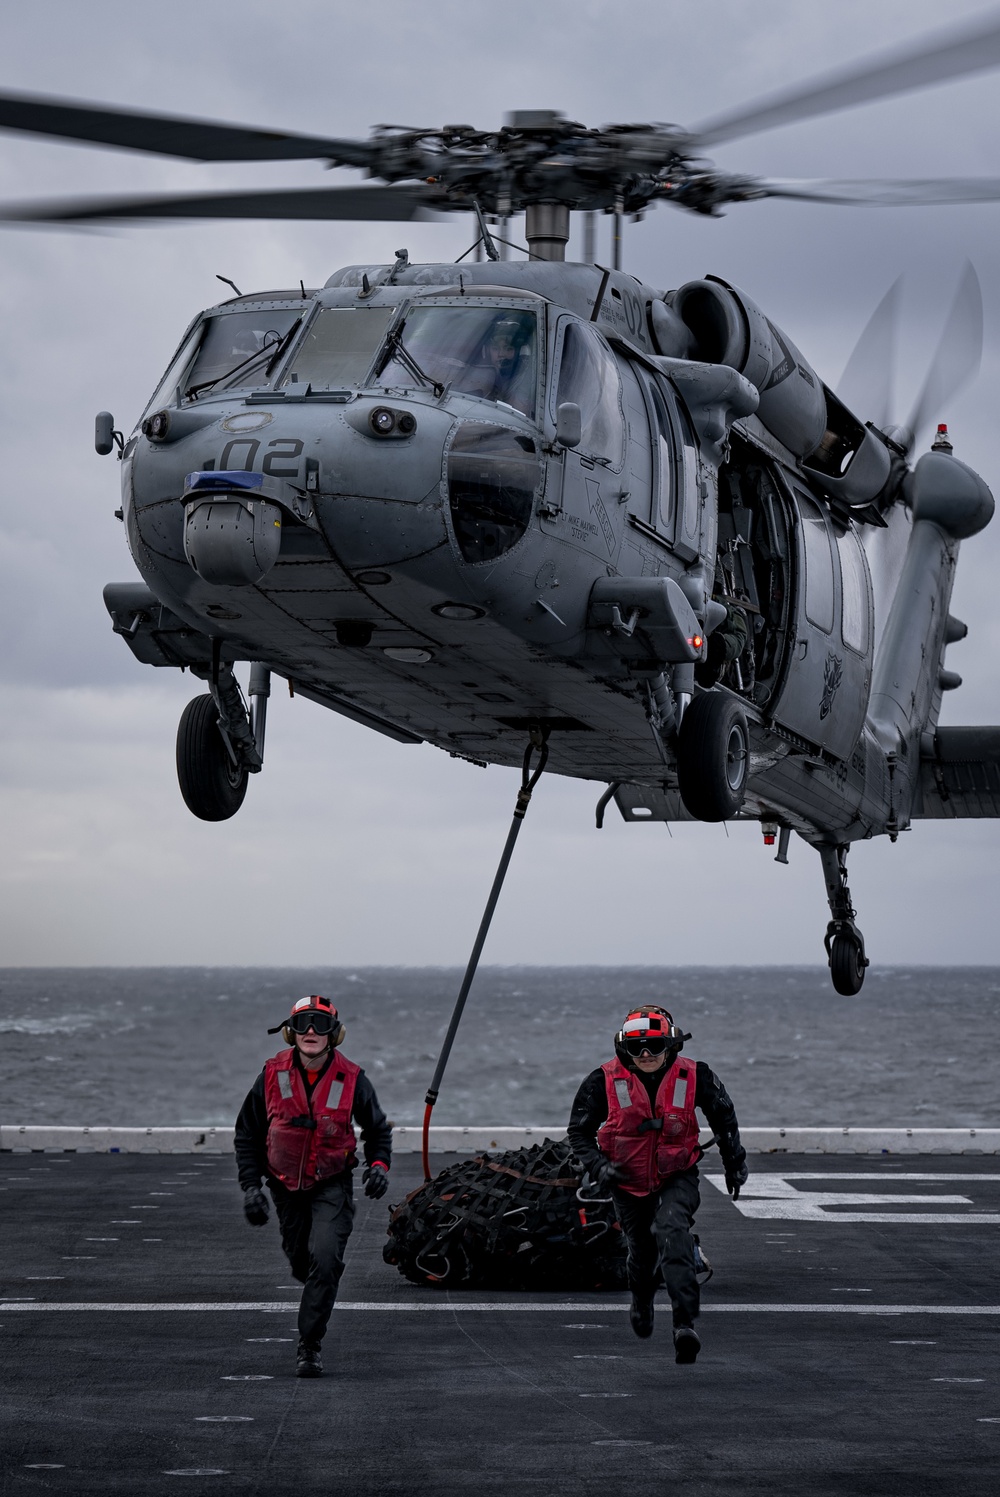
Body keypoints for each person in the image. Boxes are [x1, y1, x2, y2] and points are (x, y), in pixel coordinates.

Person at [567, 1005, 748, 1365]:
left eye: (654, 1045)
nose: (646, 1055)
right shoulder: (601, 1080)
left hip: (676, 1175)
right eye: (637, 1048)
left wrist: (735, 1165)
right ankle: (642, 1300)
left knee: (673, 1230)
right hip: (627, 1182)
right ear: (624, 1049)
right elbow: (579, 1133)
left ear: (671, 1044)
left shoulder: (696, 1076)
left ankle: (684, 1325)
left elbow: (724, 1118)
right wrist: (600, 1168)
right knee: (642, 1252)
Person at [234, 995, 392, 1378]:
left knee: (326, 1258)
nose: (310, 1032)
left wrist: (378, 1166)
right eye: (303, 1023)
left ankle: (310, 1344)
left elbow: (376, 1131)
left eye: (319, 1024)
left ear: (334, 1034)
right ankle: (318, 1287)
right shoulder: (271, 1074)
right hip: (284, 1185)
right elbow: (248, 1134)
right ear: (290, 1031)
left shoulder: (353, 1078)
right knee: (303, 1262)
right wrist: (251, 1187)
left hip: (331, 1183)